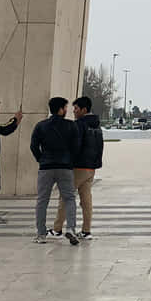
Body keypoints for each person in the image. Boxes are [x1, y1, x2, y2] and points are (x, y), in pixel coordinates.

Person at [30, 97, 80, 243]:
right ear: (60, 109)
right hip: (65, 167)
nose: (67, 110)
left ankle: (41, 234)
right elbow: (76, 147)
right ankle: (71, 229)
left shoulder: (41, 126)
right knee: (69, 198)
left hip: (46, 167)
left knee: (42, 201)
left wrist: (41, 159)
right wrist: (70, 160)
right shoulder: (71, 126)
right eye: (65, 107)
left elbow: (34, 146)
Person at [54, 95, 104, 241]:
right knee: (86, 199)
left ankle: (57, 229)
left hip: (78, 167)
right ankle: (86, 230)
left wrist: (68, 160)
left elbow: (74, 146)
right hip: (91, 168)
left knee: (65, 195)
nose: (74, 112)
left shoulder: (80, 125)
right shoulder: (97, 125)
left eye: (76, 109)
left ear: (84, 109)